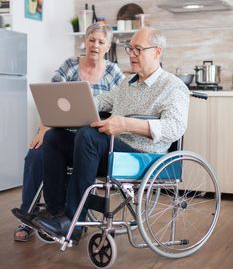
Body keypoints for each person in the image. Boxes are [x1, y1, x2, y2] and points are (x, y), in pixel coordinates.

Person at [13, 26, 190, 244]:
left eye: (138, 49)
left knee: (88, 136)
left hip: (142, 156)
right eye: (129, 48)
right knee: (55, 138)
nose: (132, 54)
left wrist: (125, 123)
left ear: (157, 52)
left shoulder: (173, 86)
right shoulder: (129, 83)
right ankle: (55, 213)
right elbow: (100, 100)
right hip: (113, 151)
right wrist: (70, 104)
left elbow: (175, 127)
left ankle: (73, 223)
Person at [12, 22, 124, 241]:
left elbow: (120, 108)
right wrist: (42, 131)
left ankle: (64, 217)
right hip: (58, 129)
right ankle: (29, 216)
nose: (95, 45)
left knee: (75, 148)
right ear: (85, 41)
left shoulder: (114, 73)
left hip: (89, 137)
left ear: (108, 46)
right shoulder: (70, 66)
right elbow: (49, 101)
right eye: (92, 40)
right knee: (35, 155)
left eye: (101, 42)